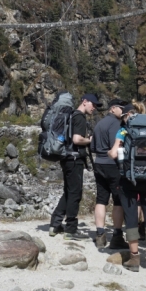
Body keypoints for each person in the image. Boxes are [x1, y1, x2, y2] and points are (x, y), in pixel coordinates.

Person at [109, 102, 146, 273]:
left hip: (128, 180)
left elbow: (114, 153)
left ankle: (134, 258)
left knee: (131, 217)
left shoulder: (123, 131)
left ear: (127, 116)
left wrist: (114, 153)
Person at [49, 93, 101, 240]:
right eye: (93, 104)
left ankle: (55, 224)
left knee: (68, 191)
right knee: (75, 194)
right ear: (84, 101)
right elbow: (77, 140)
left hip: (66, 158)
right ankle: (71, 229)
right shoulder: (79, 117)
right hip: (74, 159)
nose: (94, 108)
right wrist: (89, 140)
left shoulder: (71, 115)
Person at [91, 98, 129, 250]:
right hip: (112, 165)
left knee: (101, 199)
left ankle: (100, 234)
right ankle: (117, 236)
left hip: (99, 162)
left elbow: (93, 146)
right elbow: (118, 146)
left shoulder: (99, 123)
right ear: (113, 108)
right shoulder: (116, 124)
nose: (124, 111)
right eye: (121, 108)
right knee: (118, 200)